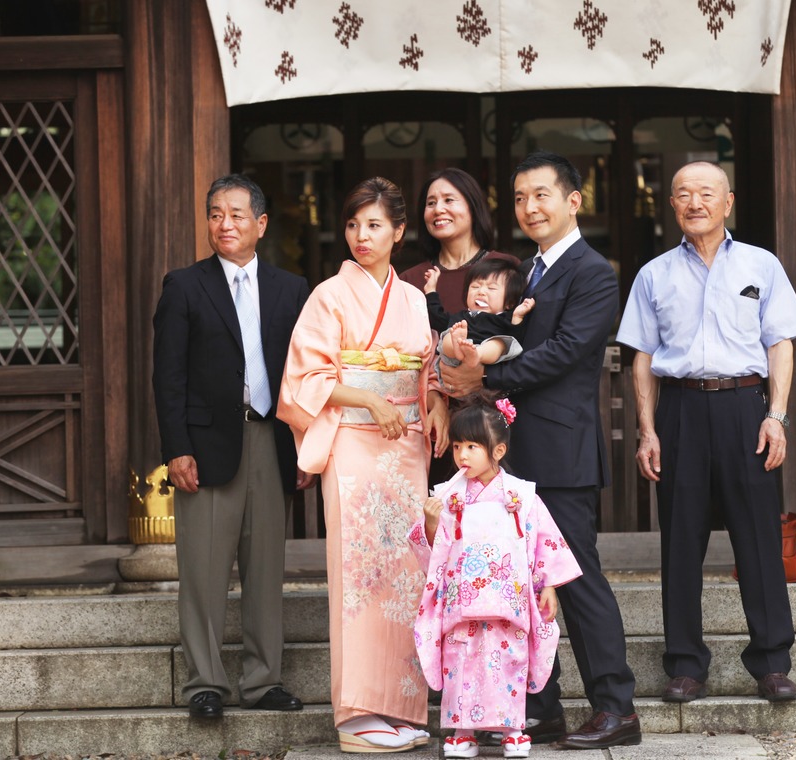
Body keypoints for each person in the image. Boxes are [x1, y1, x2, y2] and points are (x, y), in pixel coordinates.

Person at [441, 152, 640, 750]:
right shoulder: (529, 270)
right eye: (521, 198)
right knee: (522, 583)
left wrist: (488, 381)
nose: (530, 207)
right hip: (517, 452)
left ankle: (616, 706)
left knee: (575, 580)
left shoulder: (593, 272)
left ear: (573, 200)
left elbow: (567, 351)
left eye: (542, 195)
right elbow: (503, 336)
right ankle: (541, 706)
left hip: (563, 450)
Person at [615, 161, 796, 704]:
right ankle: (684, 665)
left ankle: (771, 663)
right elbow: (642, 357)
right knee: (680, 541)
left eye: (706, 193)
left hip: (746, 407)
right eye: (683, 194)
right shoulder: (654, 273)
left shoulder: (761, 264)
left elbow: (781, 344)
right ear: (672, 205)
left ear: (728, 203)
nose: (694, 202)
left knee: (758, 538)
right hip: (679, 410)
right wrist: (647, 431)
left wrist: (777, 415)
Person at [277, 177, 449, 753]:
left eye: (374, 225)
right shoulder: (328, 295)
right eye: (353, 225)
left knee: (407, 573)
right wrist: (371, 398)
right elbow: (306, 377)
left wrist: (434, 404)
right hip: (354, 444)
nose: (361, 236)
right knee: (358, 575)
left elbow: (424, 369)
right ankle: (354, 716)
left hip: (406, 445)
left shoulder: (413, 297)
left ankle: (401, 706)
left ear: (399, 232)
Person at [152, 174, 310, 720]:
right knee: (203, 567)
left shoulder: (293, 290)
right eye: (216, 214)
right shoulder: (184, 286)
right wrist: (176, 448)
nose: (225, 224)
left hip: (272, 437)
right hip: (205, 442)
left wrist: (306, 445)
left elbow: (307, 373)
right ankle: (205, 683)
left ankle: (264, 681)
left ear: (260, 224)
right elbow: (167, 376)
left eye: (237, 214)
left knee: (266, 567)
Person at [409, 397, 582, 760]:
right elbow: (434, 548)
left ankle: (513, 729)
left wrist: (548, 583)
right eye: (457, 446)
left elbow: (542, 541)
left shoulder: (521, 495)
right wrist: (429, 521)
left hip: (508, 599)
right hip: (463, 601)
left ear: (498, 450)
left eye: (472, 446)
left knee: (509, 662)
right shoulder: (448, 496)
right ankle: (461, 731)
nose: (462, 455)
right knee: (460, 662)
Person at [400, 167, 498, 331]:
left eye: (449, 200)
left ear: (473, 206)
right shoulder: (409, 280)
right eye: (431, 203)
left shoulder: (505, 267)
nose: (438, 210)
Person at [426, 255, 535, 368]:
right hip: (454, 362)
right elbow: (435, 317)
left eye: (491, 288)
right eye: (475, 287)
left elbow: (517, 338)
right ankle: (457, 347)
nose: (481, 292)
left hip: (487, 365)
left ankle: (477, 354)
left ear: (510, 303)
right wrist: (430, 290)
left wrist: (518, 316)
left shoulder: (506, 319)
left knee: (501, 343)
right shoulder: (460, 318)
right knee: (448, 335)